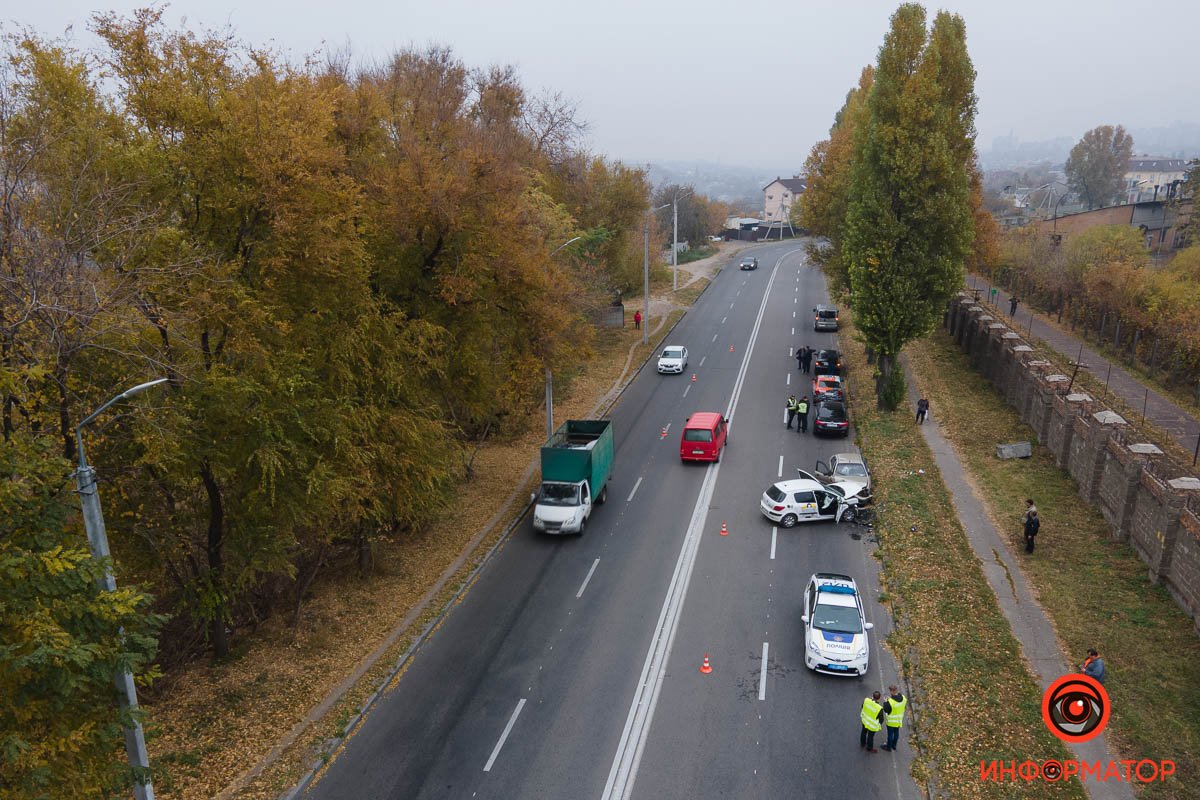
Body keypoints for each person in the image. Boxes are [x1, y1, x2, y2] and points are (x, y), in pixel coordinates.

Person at [880, 685, 907, 751]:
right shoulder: (903, 698)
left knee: (890, 735)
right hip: (899, 720)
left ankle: (888, 747)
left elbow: (886, 710)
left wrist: (886, 702)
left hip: (891, 722)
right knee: (896, 733)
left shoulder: (890, 702)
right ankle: (894, 745)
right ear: (896, 690)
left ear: (891, 691)